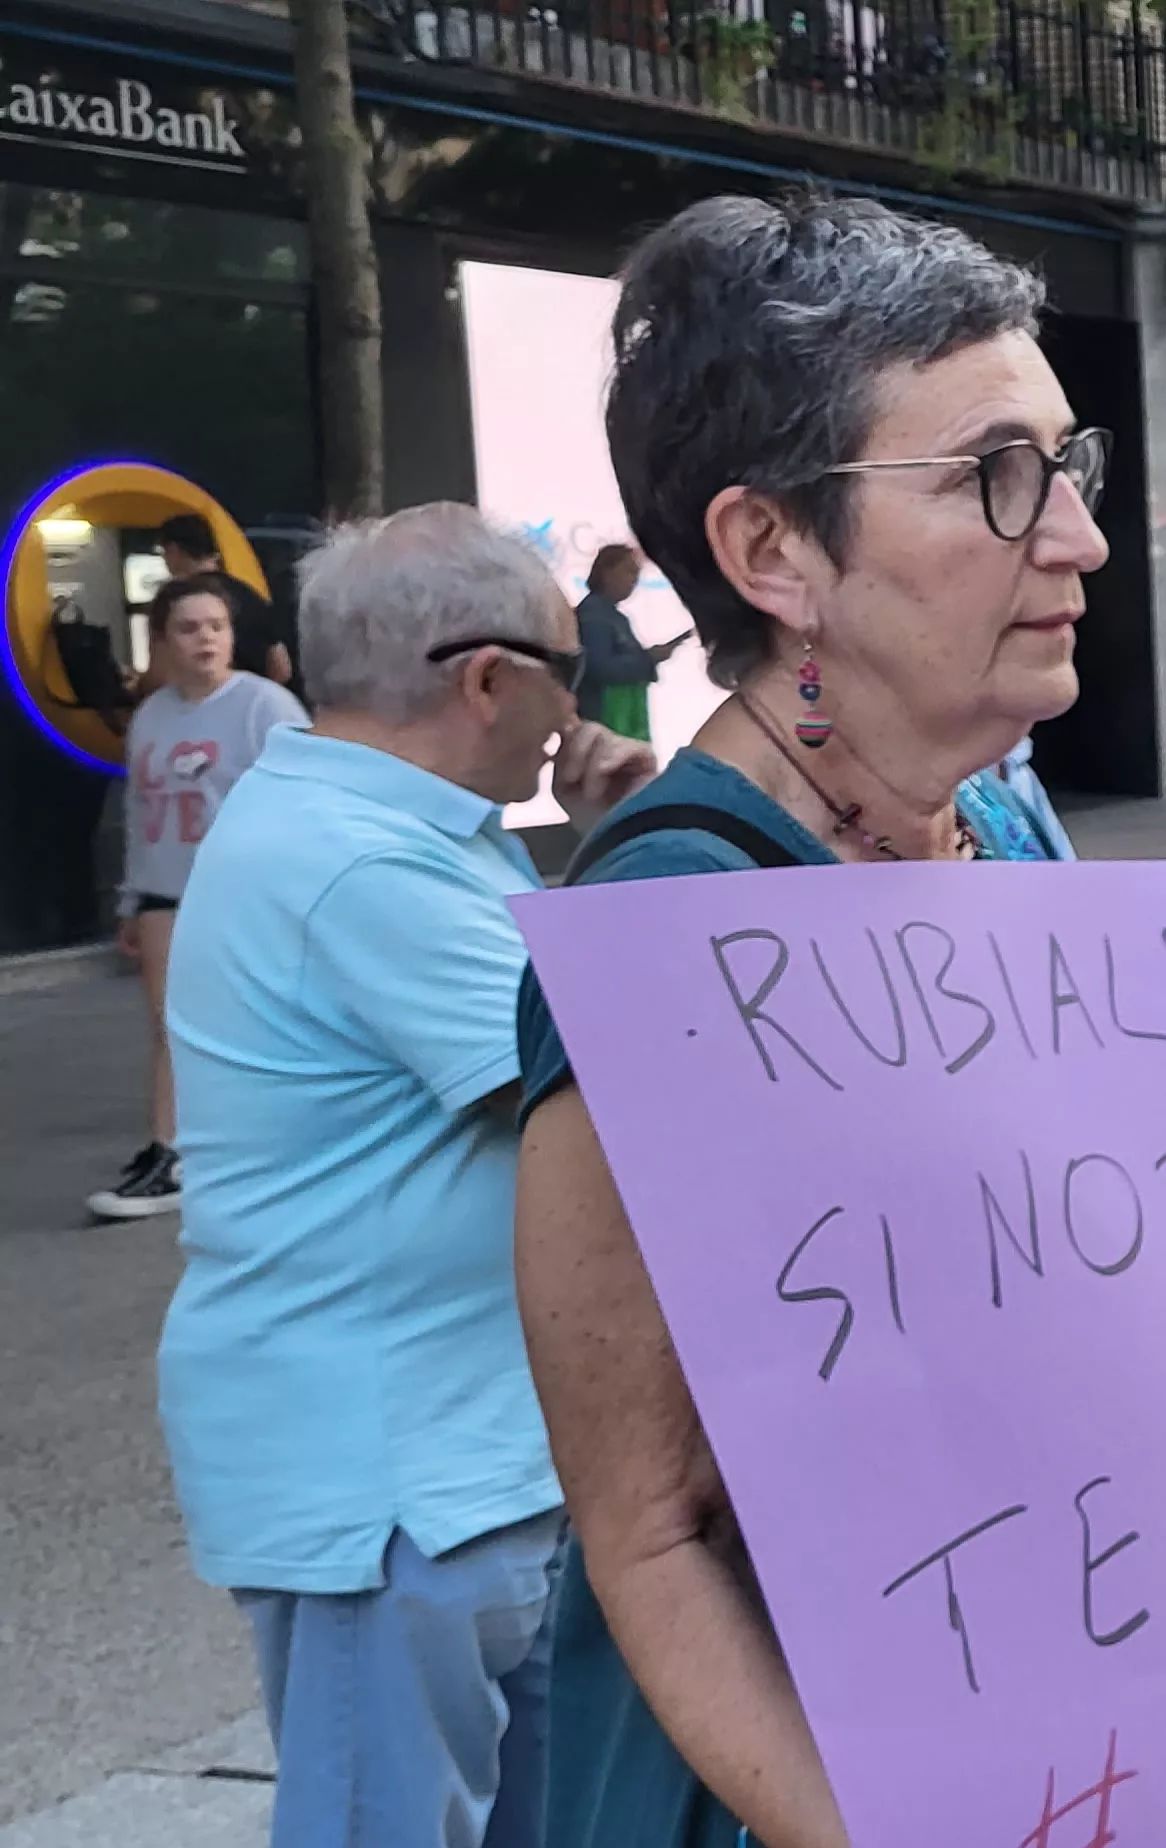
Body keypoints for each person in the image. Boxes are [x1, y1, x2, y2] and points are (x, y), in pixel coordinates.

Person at [515, 192, 1166, 1848]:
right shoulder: (670, 922)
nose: (1081, 539)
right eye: (997, 477)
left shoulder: (1002, 824)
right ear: (774, 552)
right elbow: (650, 1534)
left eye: (1070, 463)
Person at [157, 506, 655, 1844]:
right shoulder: (356, 861)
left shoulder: (412, 831)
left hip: (463, 1460)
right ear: (487, 679)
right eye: (570, 664)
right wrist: (646, 857)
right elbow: (630, 1076)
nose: (585, 698)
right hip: (385, 1478)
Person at [91, 573, 307, 1219]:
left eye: (217, 626)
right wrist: (131, 899)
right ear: (160, 640)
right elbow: (140, 807)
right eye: (188, 628)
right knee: (170, 1028)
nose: (205, 639)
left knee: (255, 1022)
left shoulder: (264, 707)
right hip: (165, 890)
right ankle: (172, 1149)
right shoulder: (153, 716)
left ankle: (260, 1150)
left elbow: (304, 799)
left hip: (241, 892)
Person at [568, 544, 683, 741]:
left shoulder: (613, 616)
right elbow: (599, 667)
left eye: (637, 574)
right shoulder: (594, 615)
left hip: (619, 721)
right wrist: (648, 658)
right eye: (629, 571)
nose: (634, 580)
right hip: (606, 721)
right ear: (607, 571)